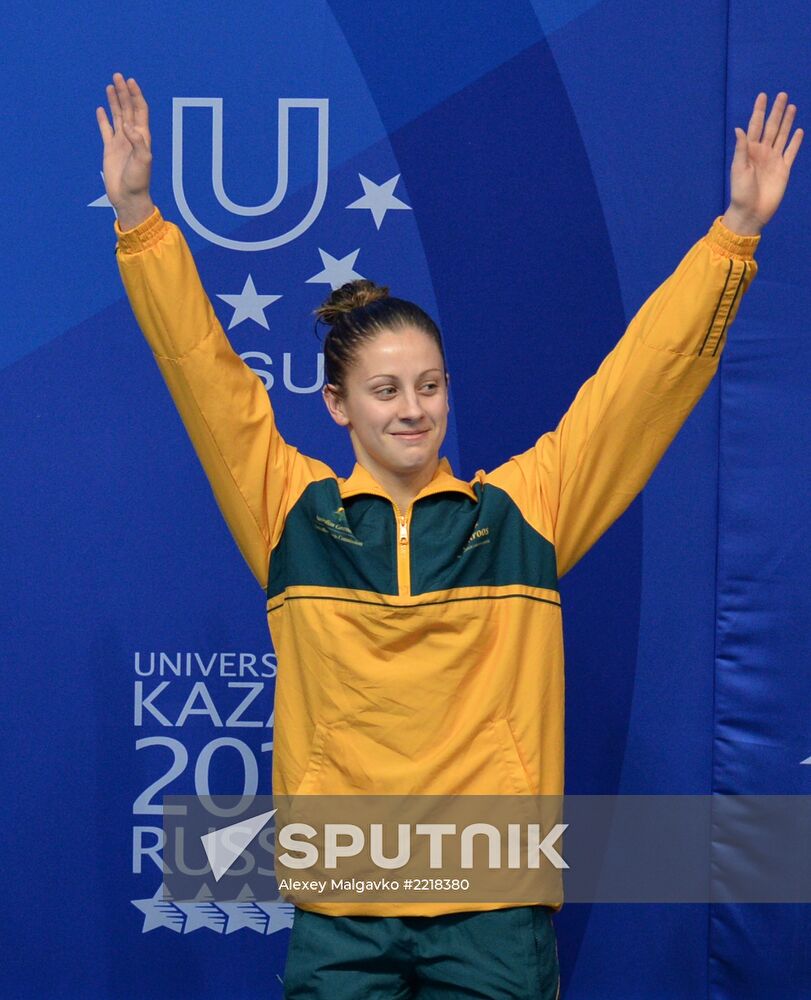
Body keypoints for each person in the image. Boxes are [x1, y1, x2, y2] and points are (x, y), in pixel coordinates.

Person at [98, 73, 801, 999]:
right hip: (343, 903)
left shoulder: (523, 513)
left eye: (428, 385)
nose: (413, 409)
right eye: (385, 391)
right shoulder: (289, 515)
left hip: (494, 904)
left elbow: (640, 384)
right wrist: (140, 220)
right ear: (337, 406)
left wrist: (735, 236)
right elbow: (205, 377)